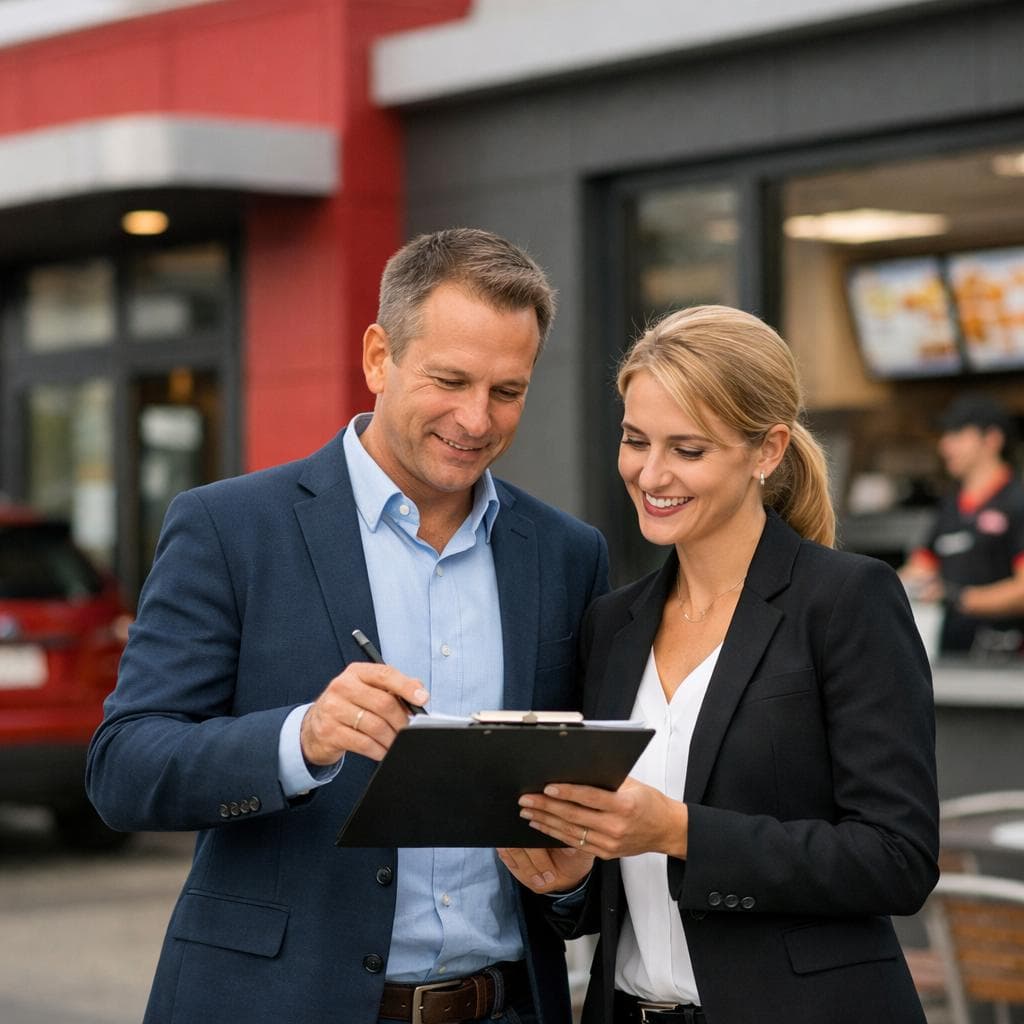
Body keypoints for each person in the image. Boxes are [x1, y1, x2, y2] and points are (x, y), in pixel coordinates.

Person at [86, 228, 609, 1024]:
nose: (476, 419)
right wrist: (302, 739)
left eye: (508, 391)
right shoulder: (230, 529)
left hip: (508, 1005)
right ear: (377, 358)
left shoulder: (568, 555)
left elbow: (579, 814)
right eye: (450, 380)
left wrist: (571, 877)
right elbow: (123, 770)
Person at [498, 305, 939, 1024]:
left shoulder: (845, 600)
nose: (651, 473)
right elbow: (606, 898)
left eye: (688, 449)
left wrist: (678, 831)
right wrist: (572, 877)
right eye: (635, 440)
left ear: (766, 451)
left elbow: (897, 858)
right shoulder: (613, 623)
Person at [900, 392, 1024, 656]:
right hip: (951, 656)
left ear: (991, 439)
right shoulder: (950, 506)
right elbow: (919, 568)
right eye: (945, 436)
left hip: (1008, 663)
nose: (945, 446)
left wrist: (958, 597)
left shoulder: (1017, 501)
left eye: (957, 434)